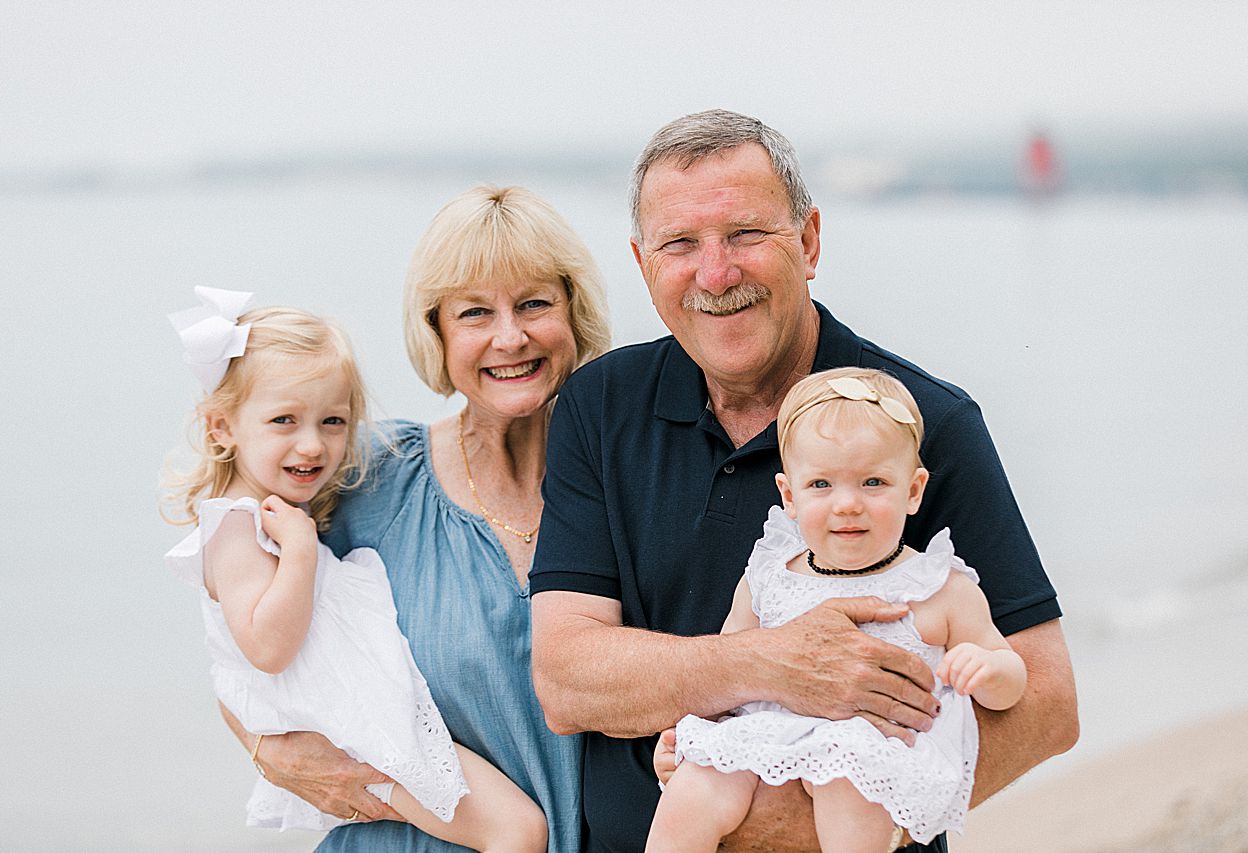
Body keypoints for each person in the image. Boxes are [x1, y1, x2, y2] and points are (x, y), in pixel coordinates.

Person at [530, 109, 1078, 853]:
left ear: (810, 240)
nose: (715, 273)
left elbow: (1046, 703)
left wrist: (800, 830)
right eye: (681, 244)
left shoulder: (923, 423)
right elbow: (567, 680)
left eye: (746, 234)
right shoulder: (598, 407)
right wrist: (768, 663)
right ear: (641, 262)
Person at [214, 185, 612, 852]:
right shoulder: (368, 476)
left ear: (574, 313)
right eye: (475, 312)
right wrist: (266, 748)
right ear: (437, 332)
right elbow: (240, 642)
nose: (509, 336)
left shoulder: (626, 484)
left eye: (535, 303)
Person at [163, 290, 547, 851]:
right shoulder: (236, 530)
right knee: (516, 830)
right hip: (363, 740)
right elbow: (266, 647)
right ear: (222, 428)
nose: (313, 444)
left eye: (333, 421)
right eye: (284, 420)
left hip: (372, 728)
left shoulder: (273, 516)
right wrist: (298, 551)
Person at [645, 368, 1027, 853]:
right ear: (790, 496)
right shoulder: (771, 576)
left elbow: (1011, 676)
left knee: (850, 787)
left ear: (913, 490)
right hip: (768, 733)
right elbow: (726, 667)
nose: (847, 505)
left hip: (868, 747)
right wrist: (691, 732)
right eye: (822, 484)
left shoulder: (936, 588)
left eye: (873, 482)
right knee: (696, 788)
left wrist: (988, 669)